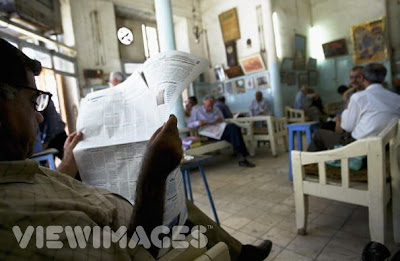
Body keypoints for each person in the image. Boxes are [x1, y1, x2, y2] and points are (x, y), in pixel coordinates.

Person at [0, 38, 271, 260]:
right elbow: (136, 255)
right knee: (172, 202)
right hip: (142, 231)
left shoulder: (21, 173)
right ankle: (241, 255)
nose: (38, 117)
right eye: (33, 101)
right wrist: (151, 180)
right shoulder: (19, 221)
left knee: (181, 205)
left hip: (126, 210)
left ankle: (243, 254)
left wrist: (67, 166)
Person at [308, 63, 400, 152]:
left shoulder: (359, 97)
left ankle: (311, 165)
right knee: (328, 128)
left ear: (363, 78)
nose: (354, 80)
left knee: (319, 135)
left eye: (357, 77)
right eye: (351, 77)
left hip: (361, 147)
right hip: (387, 144)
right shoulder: (396, 98)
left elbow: (346, 127)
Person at [187, 95, 255, 168]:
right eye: (208, 106)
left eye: (211, 106)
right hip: (208, 133)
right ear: (203, 104)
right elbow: (189, 124)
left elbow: (222, 119)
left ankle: (240, 156)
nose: (210, 108)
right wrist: (198, 123)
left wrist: (220, 120)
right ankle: (242, 155)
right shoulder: (197, 111)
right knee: (234, 132)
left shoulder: (216, 109)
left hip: (219, 129)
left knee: (234, 128)